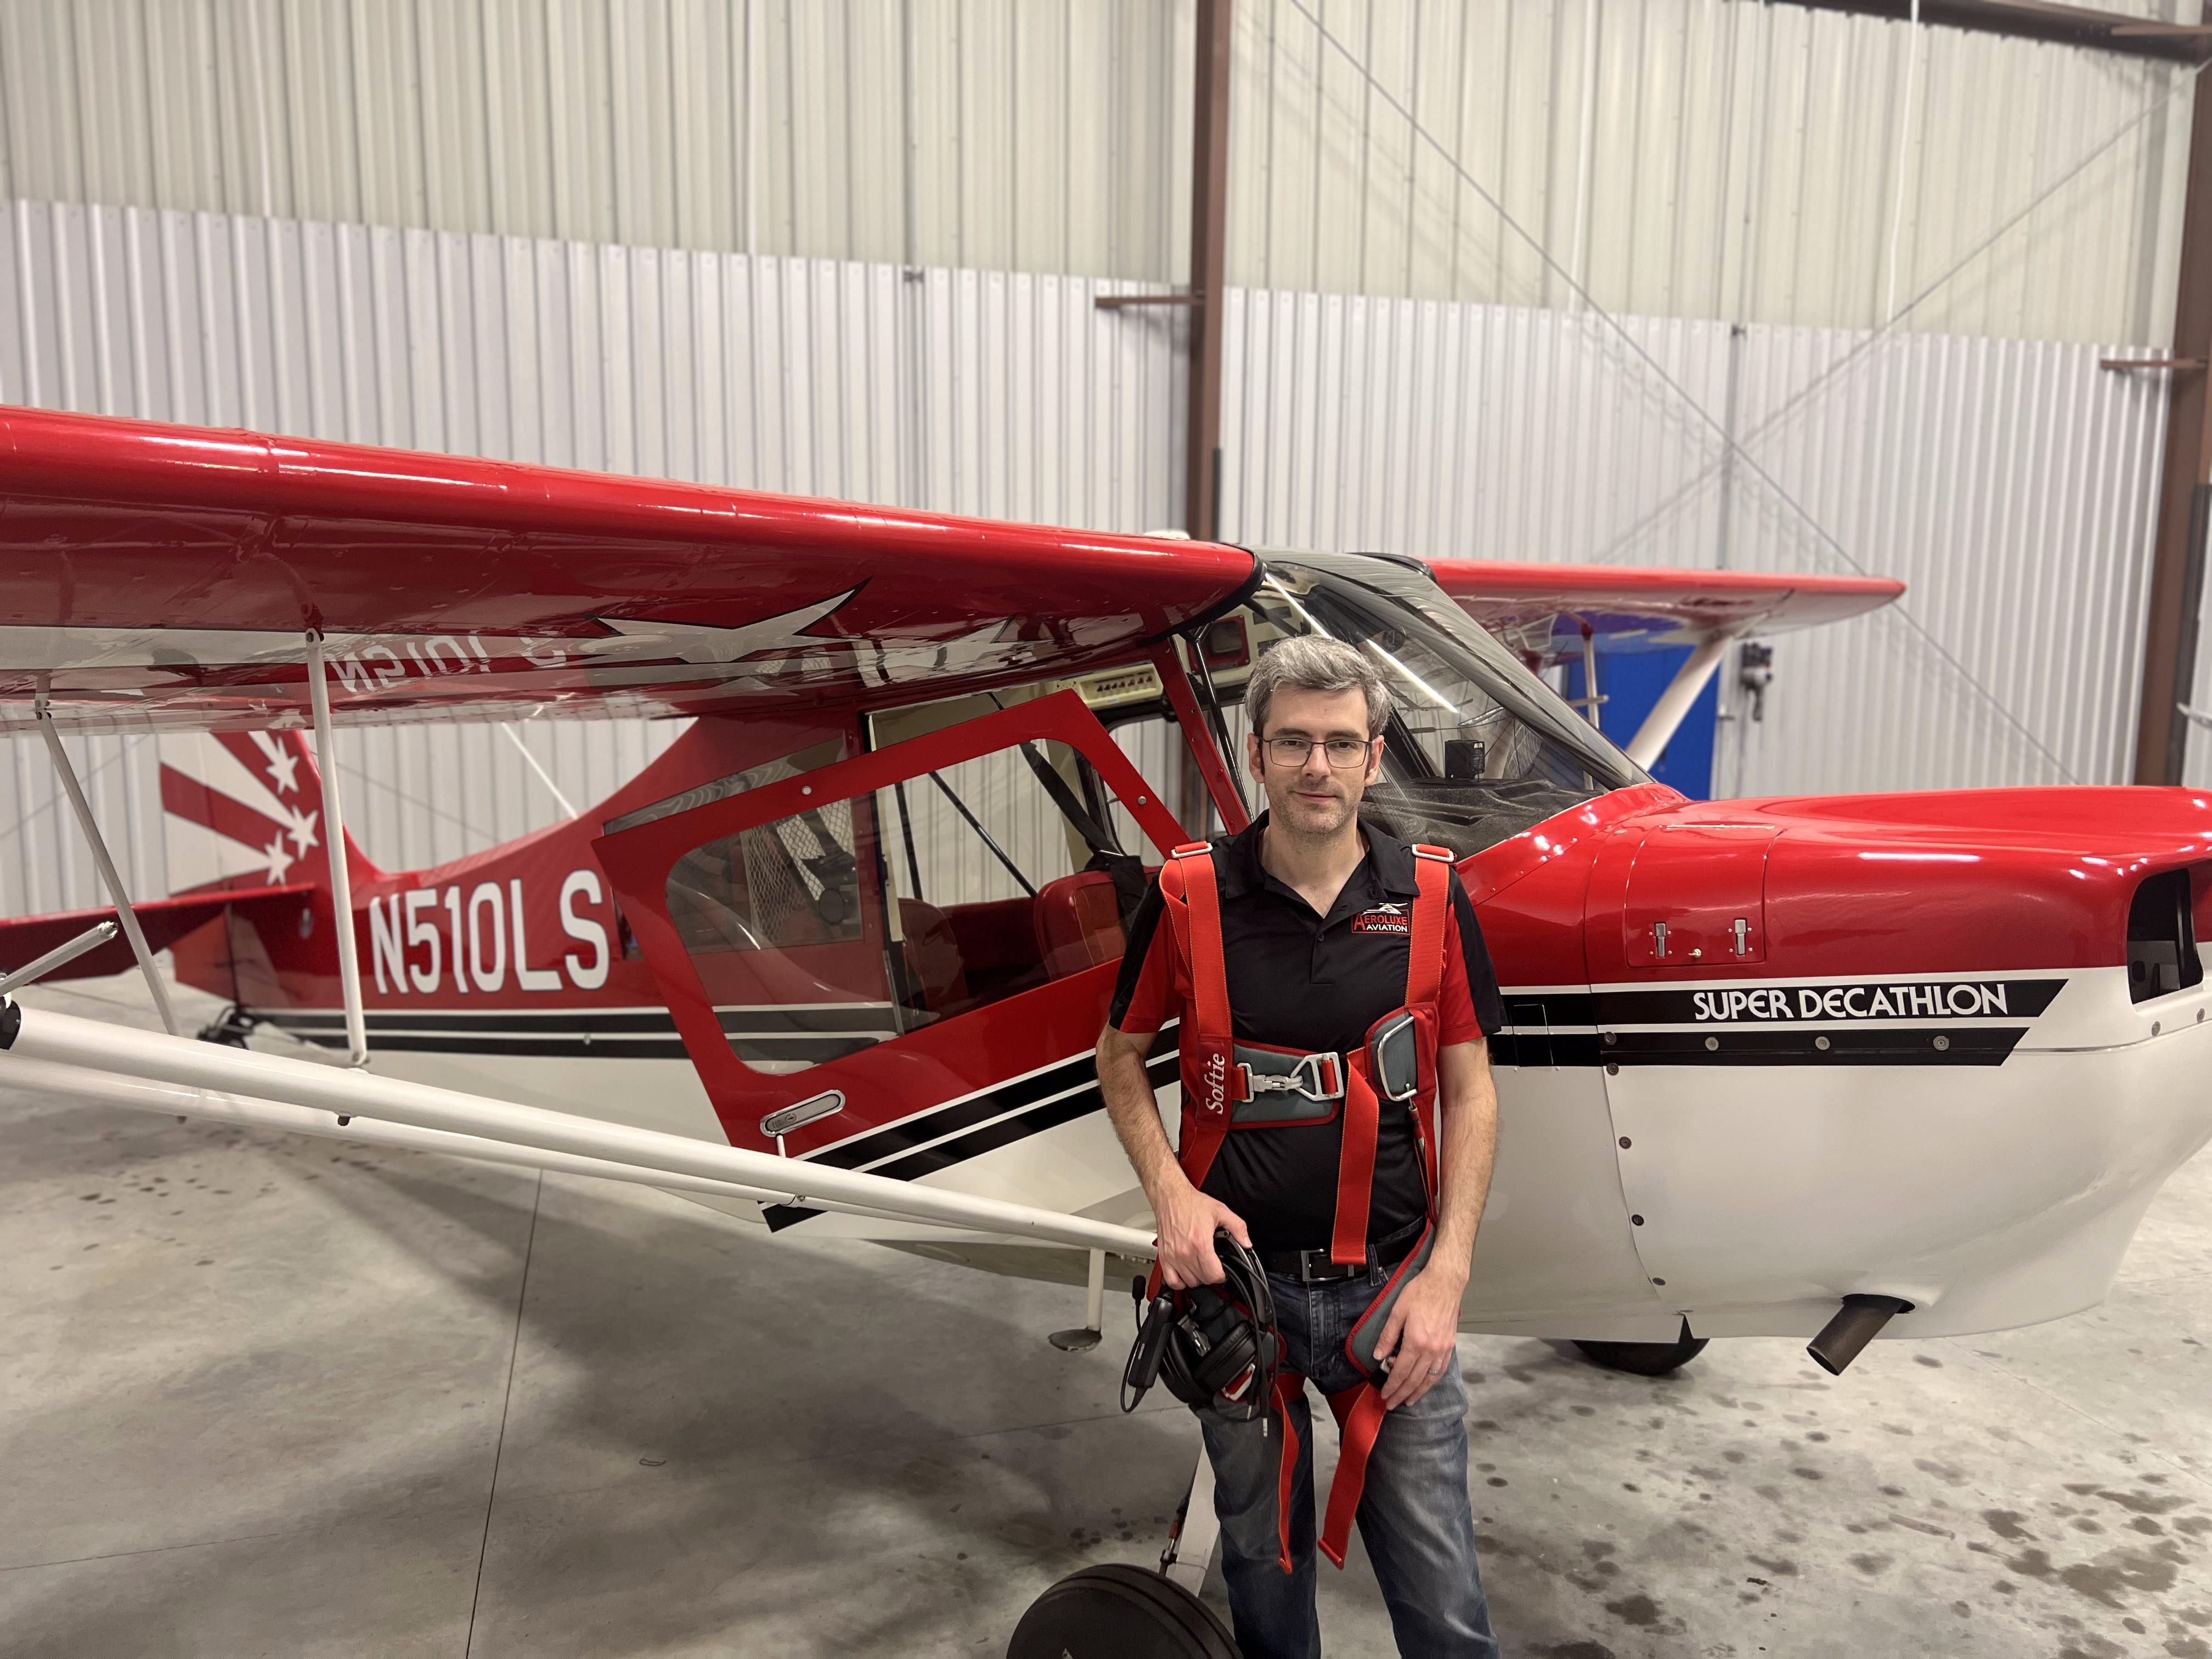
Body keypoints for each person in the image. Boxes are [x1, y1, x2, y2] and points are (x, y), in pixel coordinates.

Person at [1096, 634, 1506, 1659]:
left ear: (1374, 757)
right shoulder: (1190, 896)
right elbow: (1119, 1054)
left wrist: (1448, 1277)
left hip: (1392, 1301)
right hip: (1241, 1299)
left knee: (1445, 1599)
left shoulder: (1429, 897)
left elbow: (1472, 1090)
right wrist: (1171, 1200)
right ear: (1256, 753)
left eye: (1340, 743)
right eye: (1293, 742)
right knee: (1262, 1573)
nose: (1316, 766)